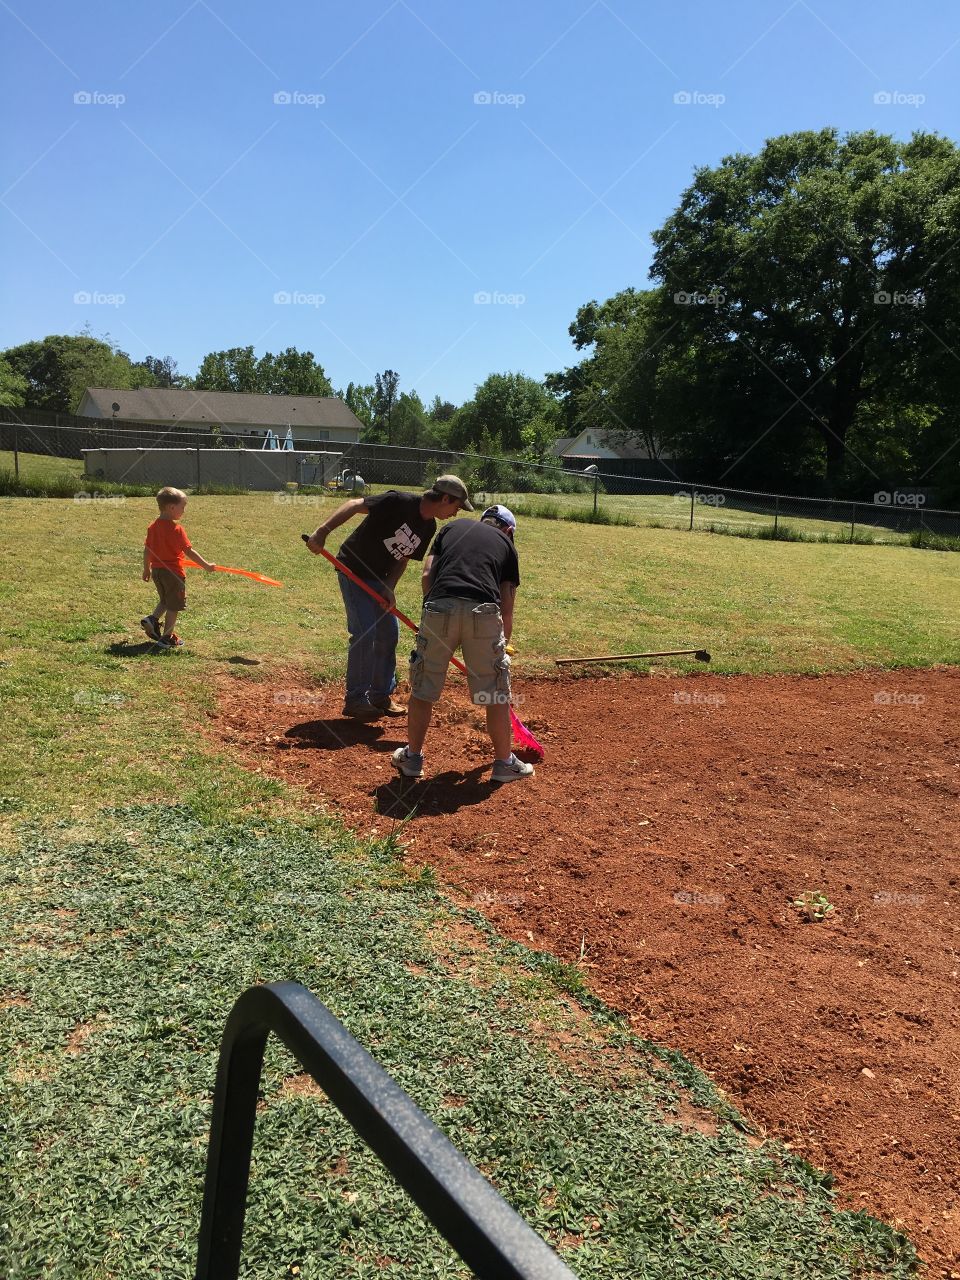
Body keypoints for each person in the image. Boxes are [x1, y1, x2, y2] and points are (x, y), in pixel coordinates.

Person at [305, 476, 472, 719]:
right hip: (354, 571)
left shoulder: (428, 527)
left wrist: (389, 587)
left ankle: (380, 695)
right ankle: (355, 699)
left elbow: (403, 559)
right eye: (456, 506)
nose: (456, 513)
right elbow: (353, 504)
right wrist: (322, 532)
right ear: (445, 498)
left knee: (388, 634)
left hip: (378, 579)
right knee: (364, 632)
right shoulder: (397, 501)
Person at [392, 504, 534, 783]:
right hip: (484, 612)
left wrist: (432, 617)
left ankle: (413, 759)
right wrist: (500, 649)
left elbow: (426, 576)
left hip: (439, 607)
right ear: (508, 530)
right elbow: (506, 606)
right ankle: (504, 763)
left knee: (424, 688)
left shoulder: (450, 528)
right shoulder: (506, 543)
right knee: (494, 695)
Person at [141, 486, 215, 649]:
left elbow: (147, 550)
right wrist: (206, 566)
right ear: (171, 508)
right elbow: (189, 551)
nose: (184, 510)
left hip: (157, 572)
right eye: (183, 507)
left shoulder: (152, 527)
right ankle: (167, 637)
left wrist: (147, 569)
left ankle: (152, 619)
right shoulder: (177, 529)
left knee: (165, 601)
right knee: (173, 606)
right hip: (173, 574)